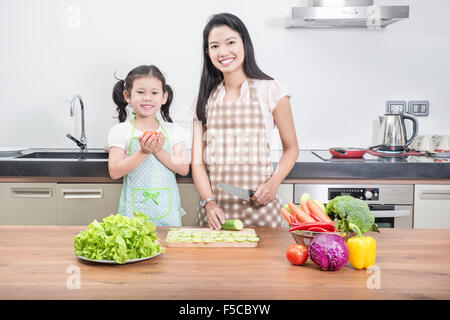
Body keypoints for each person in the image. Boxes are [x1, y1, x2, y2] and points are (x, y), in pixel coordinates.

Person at [191, 13, 299, 230]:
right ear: (208, 52)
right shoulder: (203, 99)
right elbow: (197, 162)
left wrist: (273, 183)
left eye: (231, 42)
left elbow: (292, 148)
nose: (223, 52)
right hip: (216, 217)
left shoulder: (271, 90)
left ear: (244, 44)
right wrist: (209, 203)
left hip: (261, 210)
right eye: (214, 46)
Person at [108, 65, 189, 226]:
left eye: (154, 93)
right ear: (127, 96)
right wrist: (143, 153)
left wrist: (158, 150)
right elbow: (115, 171)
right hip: (133, 216)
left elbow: (183, 168)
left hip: (167, 214)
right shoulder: (120, 131)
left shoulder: (172, 130)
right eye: (140, 92)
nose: (147, 98)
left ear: (164, 97)